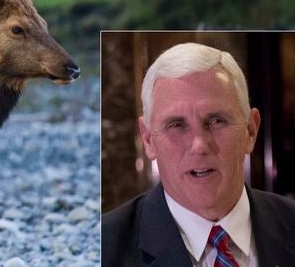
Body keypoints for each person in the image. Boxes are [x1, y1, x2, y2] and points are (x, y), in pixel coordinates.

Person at [102, 42, 295, 267]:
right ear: (148, 139)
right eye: (176, 125)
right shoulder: (105, 248)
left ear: (250, 131)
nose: (199, 145)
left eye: (216, 121)